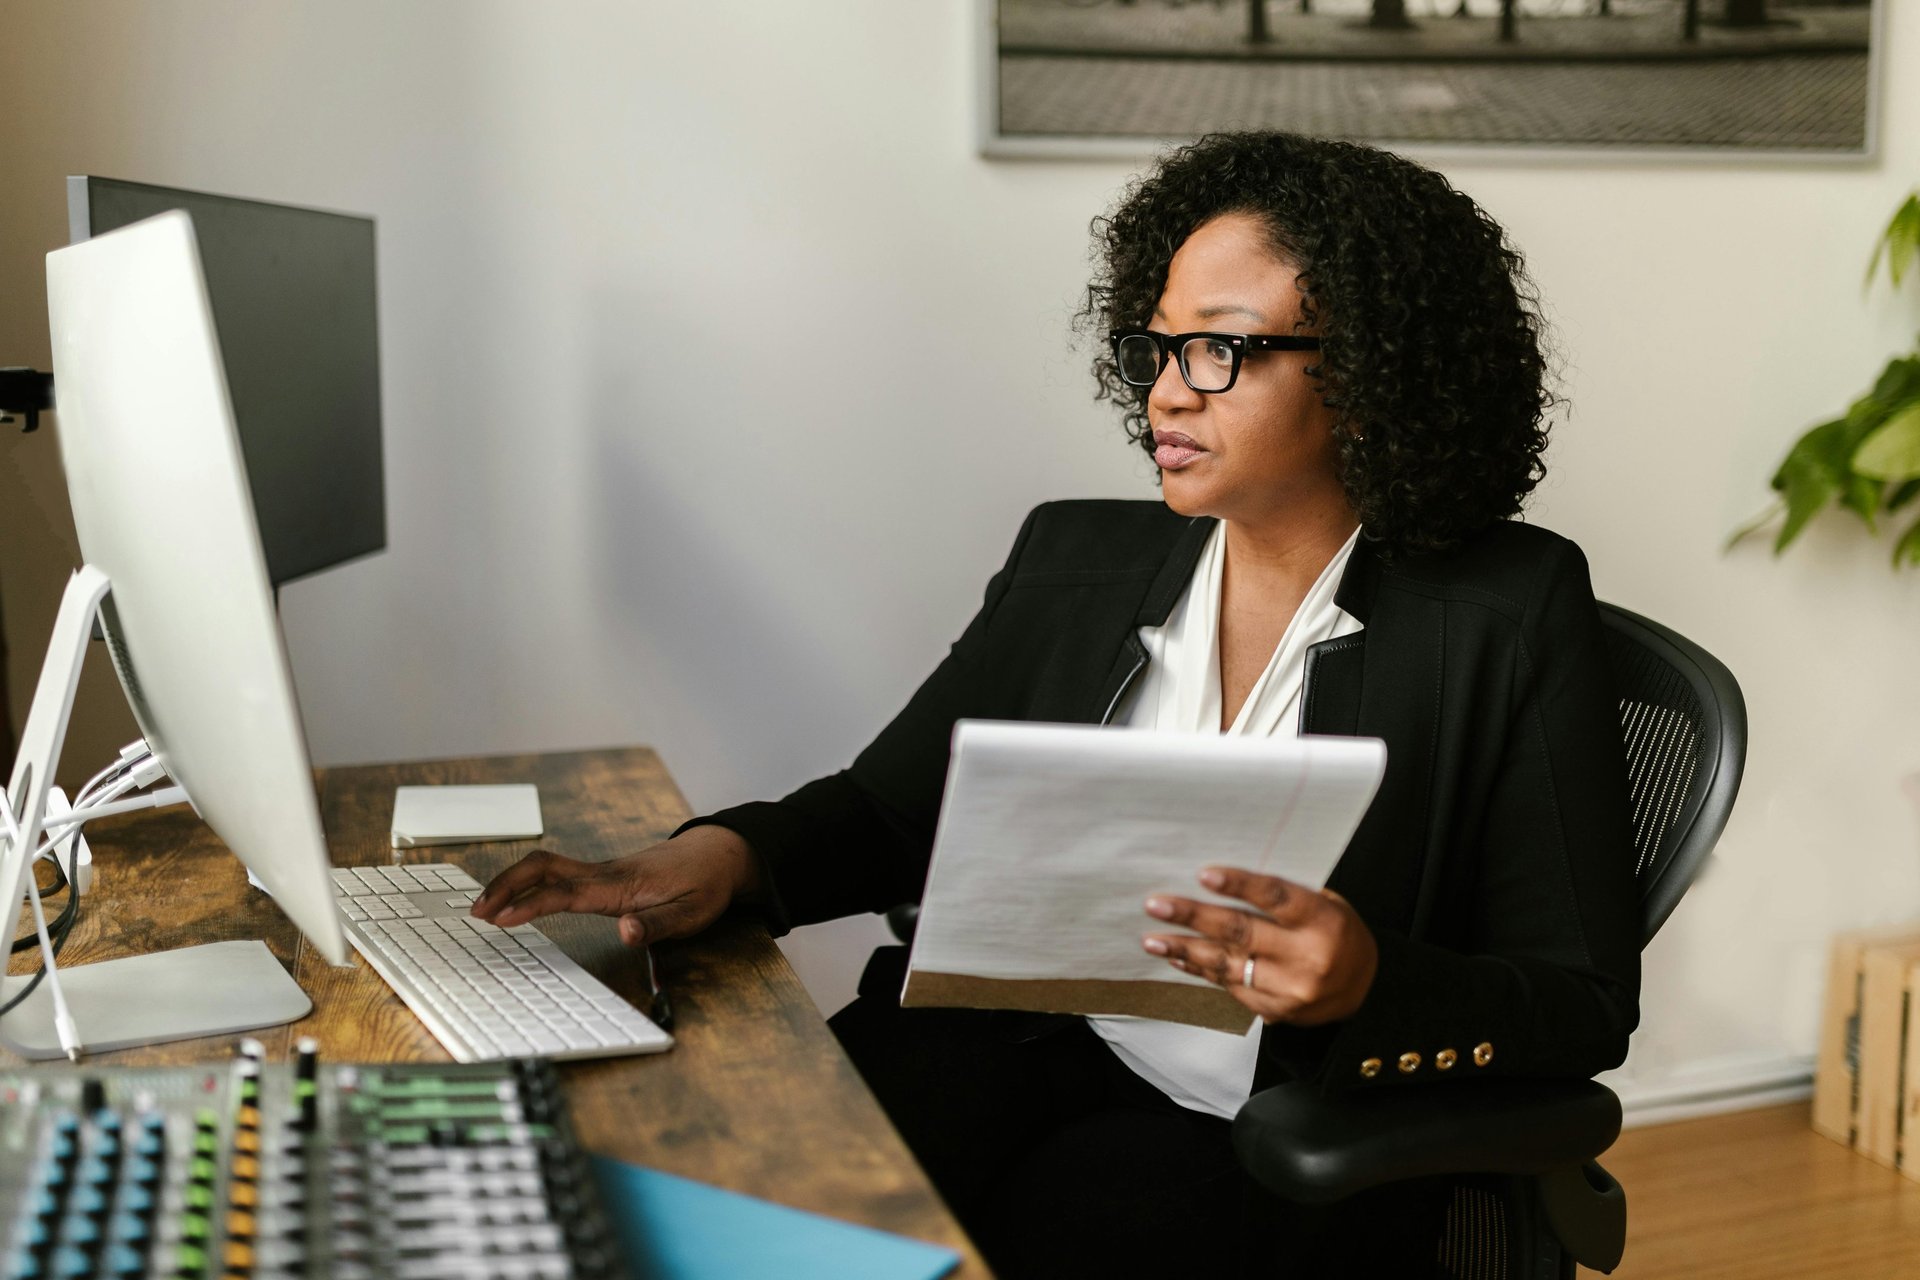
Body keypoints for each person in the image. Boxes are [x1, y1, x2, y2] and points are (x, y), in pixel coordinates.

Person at [472, 131, 1640, 1277]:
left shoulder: (1506, 611)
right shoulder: (1077, 557)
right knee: (733, 1207)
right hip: (1018, 1040)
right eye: (1159, 346)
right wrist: (718, 858)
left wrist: (1368, 977)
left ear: (1374, 370)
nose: (1165, 396)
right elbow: (891, 809)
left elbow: (1579, 1005)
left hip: (1261, 1133)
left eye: (1220, 351)